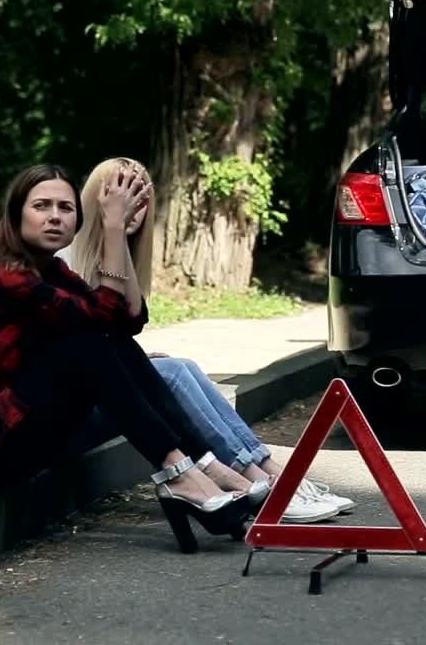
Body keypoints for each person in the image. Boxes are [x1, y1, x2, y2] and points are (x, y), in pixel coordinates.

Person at [0, 163, 254, 554]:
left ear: (78, 221)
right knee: (84, 339)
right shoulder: (2, 276)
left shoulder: (53, 271)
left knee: (107, 339)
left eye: (65, 208)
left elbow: (127, 321)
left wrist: (120, 232)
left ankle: (197, 467)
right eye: (41, 206)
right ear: (15, 216)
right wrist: (113, 228)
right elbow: (100, 318)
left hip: (18, 431)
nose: (54, 216)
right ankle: (185, 471)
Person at [59, 157, 355, 523]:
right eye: (121, 194)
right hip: (71, 412)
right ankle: (257, 479)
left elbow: (130, 322)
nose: (132, 206)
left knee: (181, 365)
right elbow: (87, 344)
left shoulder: (116, 253)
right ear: (96, 198)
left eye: (140, 197)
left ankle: (271, 473)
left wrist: (116, 239)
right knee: (172, 373)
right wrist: (114, 231)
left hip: (103, 395)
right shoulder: (66, 256)